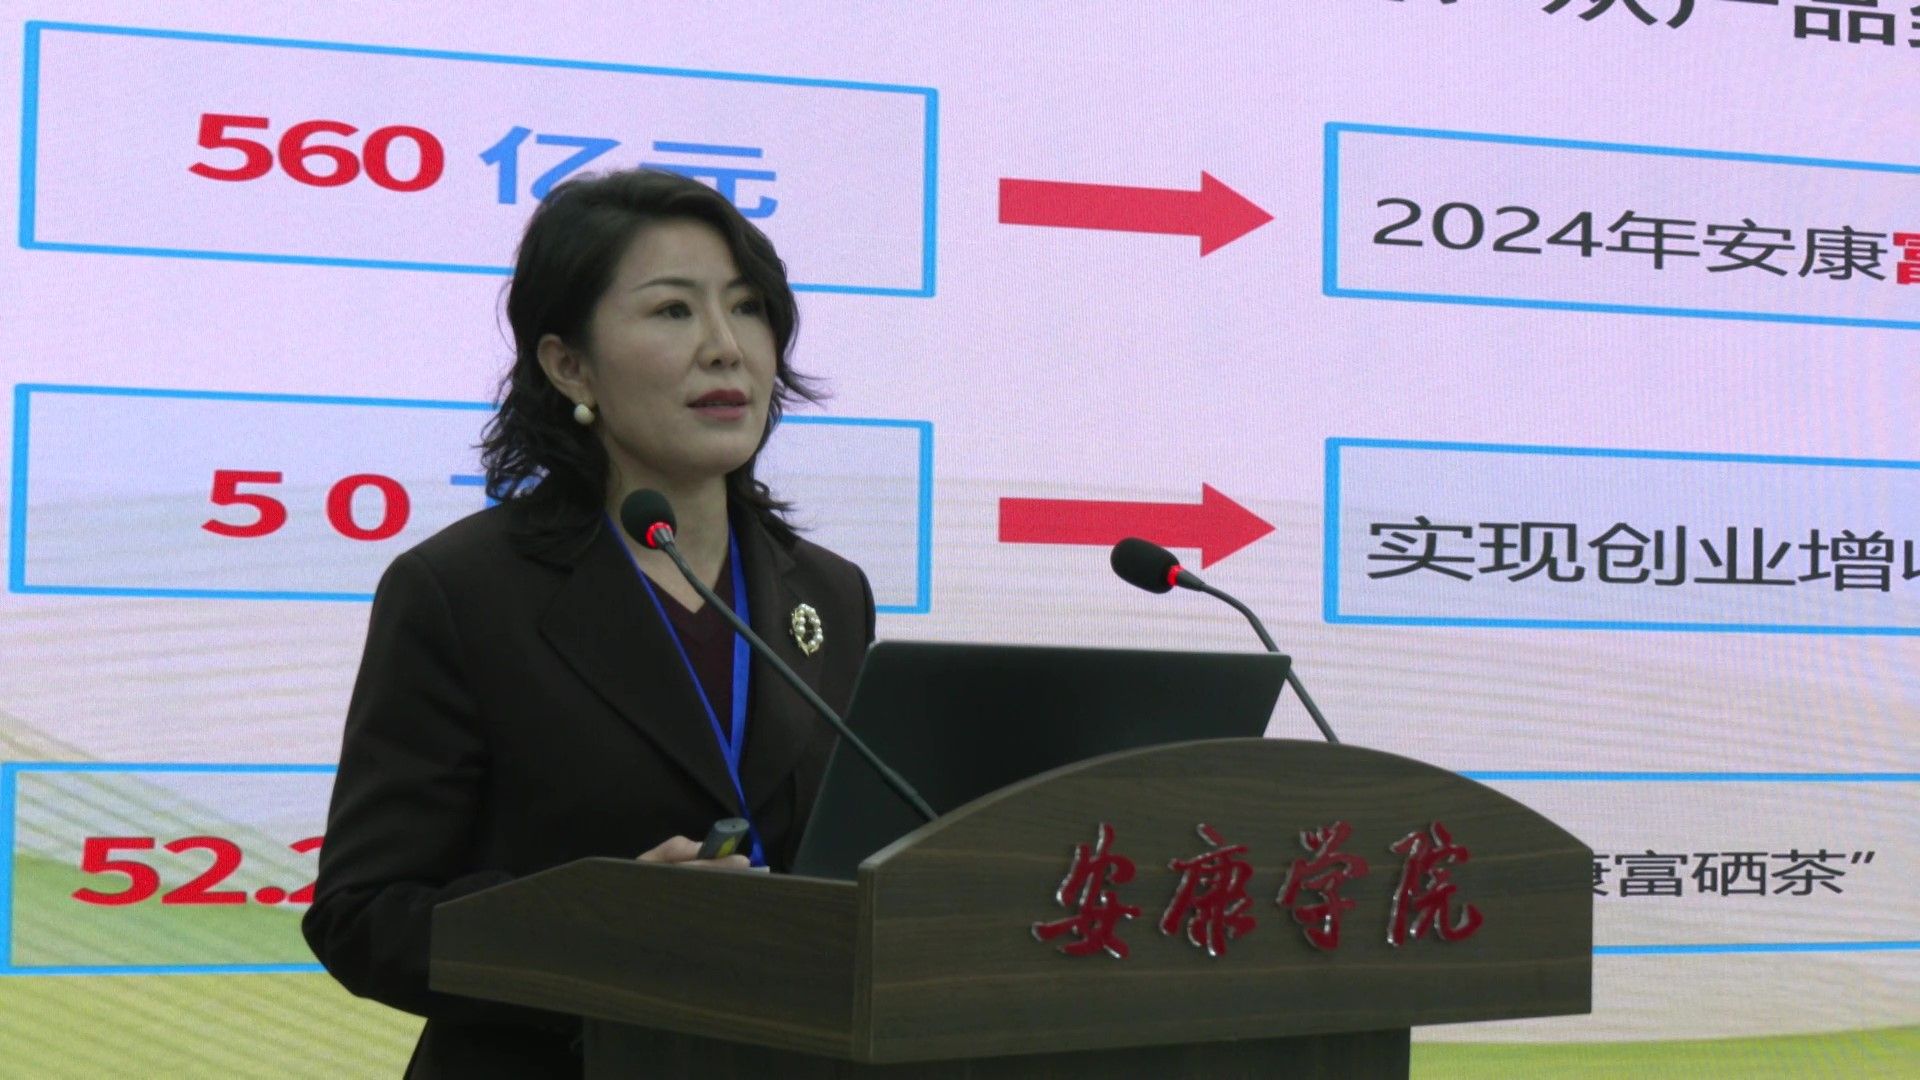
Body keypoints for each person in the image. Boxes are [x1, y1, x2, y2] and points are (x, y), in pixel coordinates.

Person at [302, 169, 875, 1078]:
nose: (726, 348)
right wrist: (602, 932)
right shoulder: (461, 591)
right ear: (570, 365)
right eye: (673, 311)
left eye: (747, 308)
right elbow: (364, 914)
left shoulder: (830, 595)